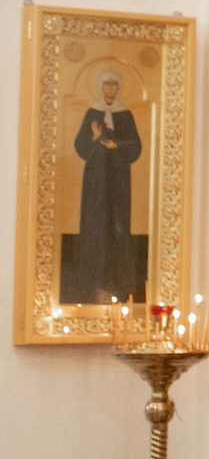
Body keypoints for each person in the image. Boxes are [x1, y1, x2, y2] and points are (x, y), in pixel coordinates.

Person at [66, 70, 147, 305]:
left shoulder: (125, 115)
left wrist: (116, 144)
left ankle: (121, 281)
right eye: (106, 85)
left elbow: (135, 146)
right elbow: (80, 145)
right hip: (95, 180)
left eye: (114, 85)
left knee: (119, 224)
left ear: (118, 87)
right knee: (94, 223)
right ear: (100, 87)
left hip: (119, 179)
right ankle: (92, 280)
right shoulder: (92, 113)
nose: (110, 89)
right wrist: (94, 138)